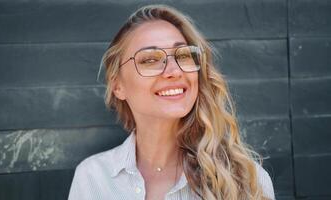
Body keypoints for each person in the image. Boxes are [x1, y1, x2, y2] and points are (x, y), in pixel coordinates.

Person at [68, 4, 275, 200]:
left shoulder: (244, 179)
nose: (174, 71)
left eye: (183, 55)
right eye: (149, 59)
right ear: (118, 86)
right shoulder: (92, 179)